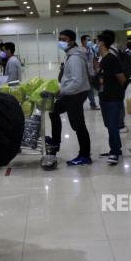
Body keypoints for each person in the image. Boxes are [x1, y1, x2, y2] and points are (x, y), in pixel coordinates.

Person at [47, 30, 92, 166]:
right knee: (53, 110)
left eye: (64, 39)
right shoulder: (71, 55)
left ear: (72, 41)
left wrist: (62, 91)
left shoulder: (75, 58)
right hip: (72, 93)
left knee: (78, 125)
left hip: (76, 94)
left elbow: (77, 81)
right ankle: (55, 141)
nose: (61, 41)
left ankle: (84, 156)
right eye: (60, 39)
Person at [97, 31, 127, 165]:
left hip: (114, 97)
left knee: (113, 125)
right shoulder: (103, 59)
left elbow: (122, 79)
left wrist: (117, 92)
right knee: (109, 124)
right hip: (104, 96)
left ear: (102, 43)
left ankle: (115, 151)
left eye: (97, 41)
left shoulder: (112, 59)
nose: (95, 44)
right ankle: (115, 149)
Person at [80, 35, 99, 110]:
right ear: (83, 41)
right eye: (88, 40)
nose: (90, 42)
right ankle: (79, 104)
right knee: (82, 90)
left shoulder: (91, 50)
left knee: (90, 89)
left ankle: (93, 104)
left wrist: (96, 69)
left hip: (91, 73)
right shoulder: (79, 50)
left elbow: (94, 60)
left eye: (90, 40)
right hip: (82, 74)